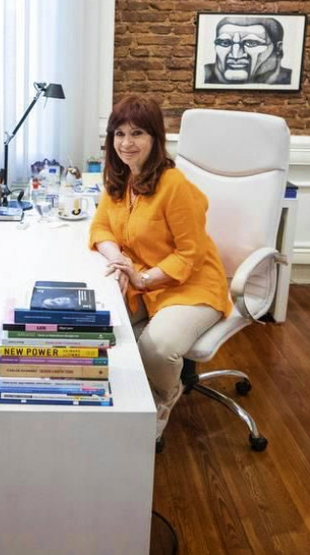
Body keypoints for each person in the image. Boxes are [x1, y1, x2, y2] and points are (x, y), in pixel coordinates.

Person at [88, 95, 232, 442]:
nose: (126, 143)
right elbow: (100, 228)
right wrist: (118, 260)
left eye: (137, 133)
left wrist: (143, 276)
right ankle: (117, 400)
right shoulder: (119, 179)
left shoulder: (175, 186)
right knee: (97, 325)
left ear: (155, 138)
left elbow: (190, 254)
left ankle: (164, 397)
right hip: (143, 282)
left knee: (156, 346)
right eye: (118, 134)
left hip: (191, 286)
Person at [203, 16, 293, 85]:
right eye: (225, 43)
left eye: (251, 43)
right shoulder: (203, 74)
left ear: (278, 49)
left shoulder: (291, 78)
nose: (235, 55)